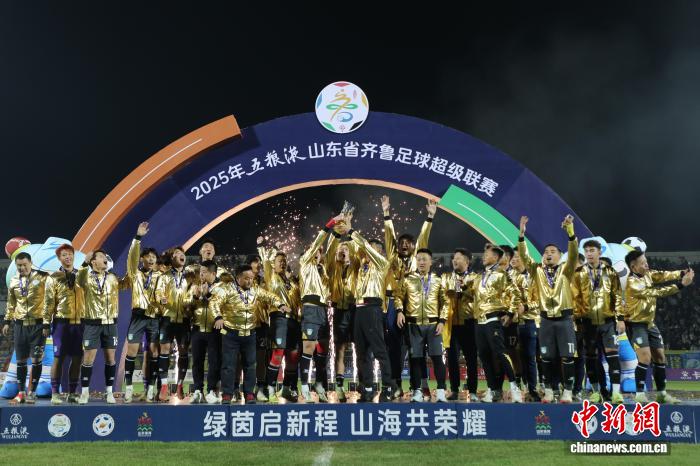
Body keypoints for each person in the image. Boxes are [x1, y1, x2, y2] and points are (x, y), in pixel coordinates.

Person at [518, 214, 579, 403]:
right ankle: (551, 390)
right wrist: (521, 236)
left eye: (553, 251)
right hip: (545, 321)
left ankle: (567, 390)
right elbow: (524, 257)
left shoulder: (566, 270)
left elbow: (574, 254)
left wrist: (570, 233)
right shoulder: (537, 270)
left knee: (567, 357)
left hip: (564, 319)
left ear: (560, 256)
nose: (549, 254)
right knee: (546, 357)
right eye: (546, 252)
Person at [383, 195, 436, 398]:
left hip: (413, 304)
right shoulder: (392, 258)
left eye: (408, 243)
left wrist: (429, 218)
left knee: (417, 346)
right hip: (392, 304)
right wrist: (386, 214)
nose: (404, 245)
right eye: (401, 243)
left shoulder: (416, 260)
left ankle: (420, 384)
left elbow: (423, 237)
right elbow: (389, 236)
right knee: (394, 347)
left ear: (414, 247)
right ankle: (396, 385)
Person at [624, 250, 694, 403]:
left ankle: (662, 394)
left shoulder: (648, 274)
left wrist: (681, 273)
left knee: (660, 357)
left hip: (650, 323)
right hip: (636, 325)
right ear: (633, 267)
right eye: (643, 263)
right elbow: (656, 292)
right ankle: (639, 394)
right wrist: (681, 285)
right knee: (645, 358)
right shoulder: (632, 283)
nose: (647, 265)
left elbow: (663, 275)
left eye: (646, 261)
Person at [216, 264, 287, 404]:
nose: (250, 281)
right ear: (238, 278)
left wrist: (280, 304)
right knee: (229, 365)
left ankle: (249, 393)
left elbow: (270, 296)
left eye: (251, 278)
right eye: (247, 278)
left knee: (250, 365)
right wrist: (218, 317)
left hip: (250, 334)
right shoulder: (227, 289)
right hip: (230, 333)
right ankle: (227, 394)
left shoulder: (255, 290)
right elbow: (214, 303)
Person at [346, 215, 397, 402]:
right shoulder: (362, 268)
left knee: (379, 351)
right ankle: (366, 388)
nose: (368, 252)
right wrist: (349, 228)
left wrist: (352, 231)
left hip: (373, 309)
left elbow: (363, 245)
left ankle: (388, 387)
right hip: (359, 310)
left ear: (379, 252)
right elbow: (355, 249)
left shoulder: (382, 265)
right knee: (361, 352)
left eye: (373, 249)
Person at [571, 239, 625, 404]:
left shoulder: (610, 271)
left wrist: (620, 319)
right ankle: (597, 392)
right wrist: (576, 318)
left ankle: (615, 393)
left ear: (599, 252)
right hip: (587, 323)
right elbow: (575, 298)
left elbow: (617, 296)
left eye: (592, 250)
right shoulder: (579, 273)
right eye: (586, 251)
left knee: (612, 356)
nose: (589, 254)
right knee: (591, 358)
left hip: (608, 321)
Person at [297, 214, 342, 402]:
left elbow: (330, 253)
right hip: (310, 310)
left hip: (323, 311)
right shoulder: (304, 264)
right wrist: (330, 224)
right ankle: (304, 386)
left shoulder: (322, 272)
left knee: (323, 350)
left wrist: (337, 233)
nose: (317, 252)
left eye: (319, 252)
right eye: (314, 250)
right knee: (308, 348)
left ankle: (319, 383)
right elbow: (317, 242)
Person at [395, 248, 449, 403]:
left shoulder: (438, 280)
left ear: (431, 262)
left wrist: (442, 321)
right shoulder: (407, 279)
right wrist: (399, 311)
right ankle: (417, 391)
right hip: (413, 325)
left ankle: (440, 391)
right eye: (418, 259)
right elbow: (398, 297)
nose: (421, 262)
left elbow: (445, 302)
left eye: (424, 259)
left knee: (437, 358)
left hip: (434, 325)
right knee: (416, 359)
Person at [472, 245, 522, 403]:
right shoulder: (479, 277)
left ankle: (514, 387)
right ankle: (492, 389)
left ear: (495, 257)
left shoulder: (501, 274)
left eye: (487, 254)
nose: (483, 256)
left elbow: (515, 293)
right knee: (484, 356)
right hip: (479, 321)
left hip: (493, 319)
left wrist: (510, 313)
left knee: (501, 353)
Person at [257, 239, 303, 403]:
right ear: (273, 264)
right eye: (279, 261)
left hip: (294, 321)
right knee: (278, 353)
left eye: (284, 261)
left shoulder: (291, 282)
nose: (282, 263)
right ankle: (270, 388)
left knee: (293, 356)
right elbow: (266, 260)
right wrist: (265, 246)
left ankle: (286, 388)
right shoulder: (271, 277)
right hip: (278, 318)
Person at [76, 249, 123, 404]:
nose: (105, 258)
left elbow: (126, 282)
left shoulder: (112, 277)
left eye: (105, 256)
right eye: (101, 256)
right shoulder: (86, 277)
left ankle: (109, 392)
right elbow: (78, 279)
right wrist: (84, 263)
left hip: (110, 324)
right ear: (93, 261)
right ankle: (84, 392)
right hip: (92, 324)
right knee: (88, 359)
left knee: (111, 359)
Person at [123, 222, 163, 403]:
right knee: (131, 352)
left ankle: (151, 390)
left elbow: (165, 295)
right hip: (138, 317)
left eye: (154, 257)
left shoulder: (160, 276)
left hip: (154, 318)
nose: (151, 259)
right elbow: (131, 258)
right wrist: (138, 238)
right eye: (148, 256)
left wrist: (164, 301)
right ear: (142, 259)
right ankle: (129, 389)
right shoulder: (135, 274)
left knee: (154, 353)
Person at [2, 252, 49, 404]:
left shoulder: (43, 278)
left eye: (24, 265)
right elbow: (11, 303)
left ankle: (32, 392)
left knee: (36, 360)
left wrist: (47, 323)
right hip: (20, 326)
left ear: (30, 263)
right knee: (21, 361)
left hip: (38, 325)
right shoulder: (14, 280)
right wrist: (7, 321)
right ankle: (21, 392)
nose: (22, 268)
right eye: (19, 265)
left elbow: (49, 301)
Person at [43, 244, 84, 404]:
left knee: (77, 359)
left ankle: (72, 393)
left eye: (69, 254)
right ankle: (55, 393)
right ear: (59, 258)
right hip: (61, 323)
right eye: (64, 255)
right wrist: (46, 323)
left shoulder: (82, 275)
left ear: (74, 255)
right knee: (58, 358)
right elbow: (48, 302)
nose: (67, 257)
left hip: (80, 323)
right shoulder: (53, 277)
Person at [155, 246, 192, 401]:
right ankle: (164, 386)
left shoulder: (190, 277)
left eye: (182, 253)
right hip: (167, 319)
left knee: (183, 352)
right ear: (172, 259)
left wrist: (190, 303)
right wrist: (161, 299)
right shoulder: (164, 277)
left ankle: (180, 385)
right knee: (164, 350)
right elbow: (158, 292)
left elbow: (193, 292)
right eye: (177, 253)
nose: (181, 255)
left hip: (184, 320)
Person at [442, 248, 479, 401]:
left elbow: (477, 296)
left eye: (458, 258)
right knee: (452, 358)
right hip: (451, 324)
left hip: (469, 322)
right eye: (454, 258)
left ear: (467, 261)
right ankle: (454, 389)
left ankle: (473, 390)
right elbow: (443, 295)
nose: (454, 260)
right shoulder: (446, 277)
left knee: (471, 358)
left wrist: (463, 290)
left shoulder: (475, 278)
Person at [325, 231, 358, 402]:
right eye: (340, 250)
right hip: (338, 310)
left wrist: (349, 232)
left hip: (355, 310)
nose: (343, 251)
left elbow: (358, 247)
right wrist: (337, 234)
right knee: (340, 349)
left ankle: (363, 384)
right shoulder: (333, 268)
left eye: (346, 249)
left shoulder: (356, 266)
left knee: (361, 349)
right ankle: (339, 387)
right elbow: (329, 250)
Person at [189, 260, 224, 403]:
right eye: (200, 272)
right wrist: (195, 297)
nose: (201, 275)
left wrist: (208, 294)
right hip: (197, 329)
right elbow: (186, 306)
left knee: (214, 361)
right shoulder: (195, 287)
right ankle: (198, 390)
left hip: (214, 330)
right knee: (197, 361)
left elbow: (221, 305)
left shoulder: (221, 288)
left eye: (204, 272)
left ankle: (211, 390)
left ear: (213, 273)